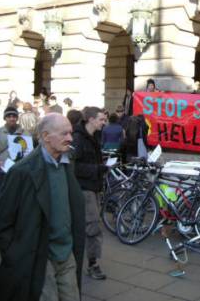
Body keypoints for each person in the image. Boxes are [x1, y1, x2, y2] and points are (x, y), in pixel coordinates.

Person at [0, 113, 85, 301]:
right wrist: (16, 254)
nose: (70, 138)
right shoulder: (22, 172)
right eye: (64, 134)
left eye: (70, 133)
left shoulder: (66, 164)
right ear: (46, 136)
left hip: (66, 253)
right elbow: (3, 221)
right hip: (38, 256)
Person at [72, 106, 108, 280]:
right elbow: (74, 167)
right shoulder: (78, 138)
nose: (104, 122)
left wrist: (102, 166)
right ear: (91, 120)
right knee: (93, 225)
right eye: (101, 119)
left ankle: (84, 261)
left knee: (89, 226)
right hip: (84, 188)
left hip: (94, 187)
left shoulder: (94, 136)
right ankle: (92, 265)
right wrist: (98, 168)